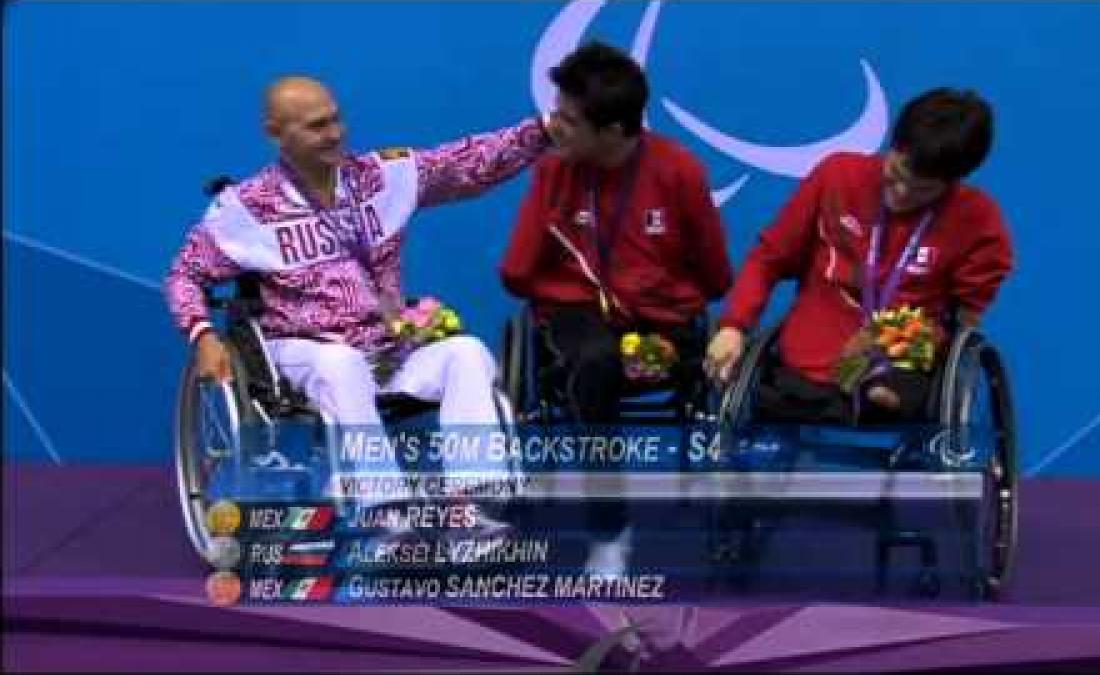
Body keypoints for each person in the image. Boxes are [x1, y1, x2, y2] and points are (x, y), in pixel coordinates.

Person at [165, 76, 556, 549]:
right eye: (315, 126)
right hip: (304, 351)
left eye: (335, 119)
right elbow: (184, 275)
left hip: (386, 346)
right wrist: (202, 334)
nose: (334, 133)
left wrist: (543, 130)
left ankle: (466, 510)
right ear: (276, 133)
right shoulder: (245, 209)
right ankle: (383, 512)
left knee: (466, 354)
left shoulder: (381, 177)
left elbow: (469, 163)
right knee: (341, 363)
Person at [500, 42, 734, 577]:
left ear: (613, 131)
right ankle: (610, 530)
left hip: (663, 321)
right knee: (596, 363)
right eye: (555, 112)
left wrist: (659, 301)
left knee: (639, 359)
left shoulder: (679, 172)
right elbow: (516, 274)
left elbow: (717, 277)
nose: (552, 125)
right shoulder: (553, 173)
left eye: (567, 119)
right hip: (579, 320)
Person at [705, 87, 1015, 425]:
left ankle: (881, 394)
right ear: (893, 146)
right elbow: (770, 258)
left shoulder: (978, 219)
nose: (901, 195)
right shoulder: (838, 176)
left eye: (922, 190)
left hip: (906, 344)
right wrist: (733, 327)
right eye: (895, 176)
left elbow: (965, 319)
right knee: (784, 394)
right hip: (815, 343)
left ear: (954, 182)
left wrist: (902, 339)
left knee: (898, 383)